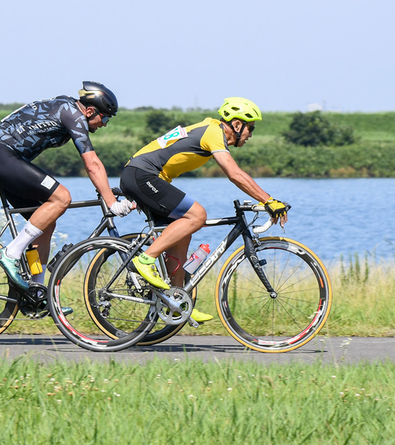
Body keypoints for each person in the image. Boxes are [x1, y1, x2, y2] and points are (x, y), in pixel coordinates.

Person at [120, 97, 289, 323]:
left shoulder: (208, 130)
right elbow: (234, 174)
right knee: (197, 215)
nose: (251, 135)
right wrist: (268, 200)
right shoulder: (213, 132)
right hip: (142, 175)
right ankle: (146, 259)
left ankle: (177, 301)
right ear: (237, 125)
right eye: (251, 128)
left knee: (182, 233)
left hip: (143, 175)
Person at [0, 81, 135, 289]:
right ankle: (10, 253)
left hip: (2, 159)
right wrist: (112, 203)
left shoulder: (67, 108)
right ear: (89, 110)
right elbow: (92, 163)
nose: (104, 124)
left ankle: (36, 289)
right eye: (104, 117)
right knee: (62, 197)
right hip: (1, 157)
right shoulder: (73, 115)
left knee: (46, 223)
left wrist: (105, 188)